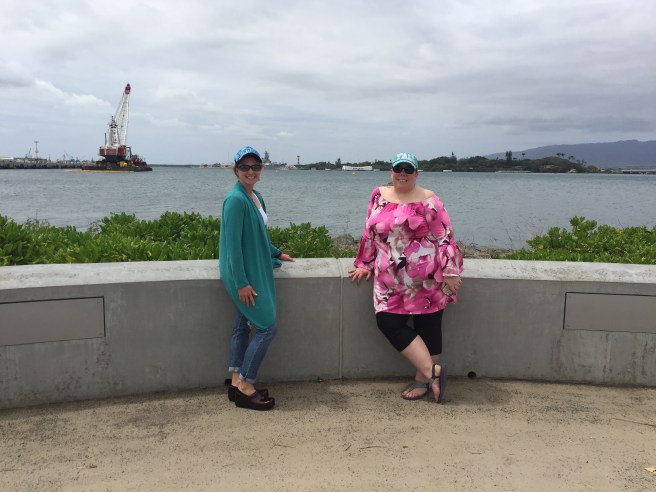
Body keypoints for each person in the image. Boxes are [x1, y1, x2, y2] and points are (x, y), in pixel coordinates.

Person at [349, 152, 463, 403]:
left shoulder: (429, 200)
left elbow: (445, 237)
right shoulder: (378, 195)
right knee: (387, 322)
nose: (402, 173)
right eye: (397, 168)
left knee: (429, 327)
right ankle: (433, 372)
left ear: (416, 174)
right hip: (387, 278)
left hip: (426, 278)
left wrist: (451, 271)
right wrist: (364, 262)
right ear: (391, 172)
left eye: (408, 169)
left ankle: (423, 382)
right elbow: (369, 232)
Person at [219, 145, 294, 411]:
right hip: (243, 273)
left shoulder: (256, 196)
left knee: (242, 324)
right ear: (236, 170)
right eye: (244, 167)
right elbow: (233, 246)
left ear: (261, 170)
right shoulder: (235, 200)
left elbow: (258, 235)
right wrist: (241, 283)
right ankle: (245, 385)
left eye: (255, 166)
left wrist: (276, 252)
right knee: (267, 327)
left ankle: (235, 381)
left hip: (255, 267)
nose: (250, 171)